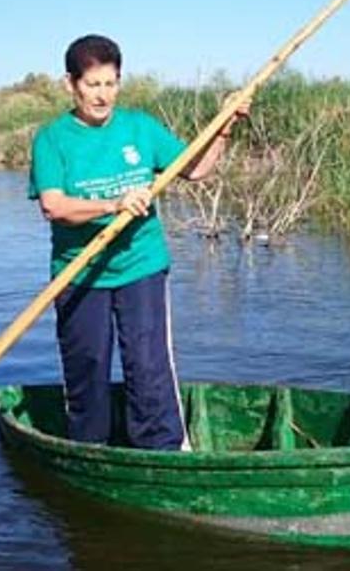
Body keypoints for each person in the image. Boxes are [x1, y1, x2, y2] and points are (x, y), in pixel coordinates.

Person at [28, 34, 247, 449]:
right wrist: (114, 204)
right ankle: (89, 451)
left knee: (148, 367)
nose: (102, 95)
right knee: (87, 367)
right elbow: (54, 206)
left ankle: (161, 450)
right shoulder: (52, 138)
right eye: (93, 85)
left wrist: (224, 126)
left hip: (141, 267)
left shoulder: (139, 127)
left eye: (110, 84)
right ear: (71, 84)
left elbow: (195, 169)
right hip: (80, 272)